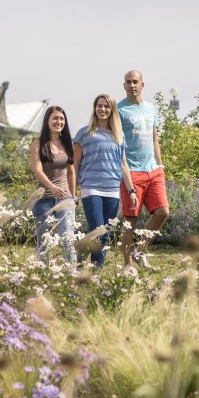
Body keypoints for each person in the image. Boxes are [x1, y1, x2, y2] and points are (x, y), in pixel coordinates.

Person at [73, 94, 136, 268]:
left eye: (106, 107)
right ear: (95, 108)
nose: (102, 109)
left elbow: (124, 165)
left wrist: (131, 191)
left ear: (112, 110)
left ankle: (92, 270)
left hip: (112, 189)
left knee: (105, 233)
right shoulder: (84, 133)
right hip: (91, 187)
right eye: (99, 106)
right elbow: (75, 164)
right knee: (98, 230)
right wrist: (73, 192)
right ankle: (92, 269)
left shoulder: (119, 135)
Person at [118, 70, 170, 267]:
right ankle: (128, 265)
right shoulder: (120, 110)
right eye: (128, 82)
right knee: (130, 220)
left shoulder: (150, 108)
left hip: (153, 170)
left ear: (142, 85)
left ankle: (140, 250)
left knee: (163, 212)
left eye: (135, 82)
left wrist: (160, 164)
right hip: (132, 171)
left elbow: (155, 138)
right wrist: (125, 169)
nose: (132, 85)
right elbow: (118, 142)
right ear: (124, 86)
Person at [30, 106, 78, 264]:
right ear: (48, 121)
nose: (59, 121)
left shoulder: (68, 144)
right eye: (55, 118)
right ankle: (41, 274)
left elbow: (71, 172)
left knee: (67, 239)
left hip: (65, 199)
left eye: (62, 119)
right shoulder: (38, 144)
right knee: (43, 242)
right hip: (43, 200)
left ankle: (71, 274)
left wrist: (73, 195)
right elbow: (38, 170)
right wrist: (52, 187)